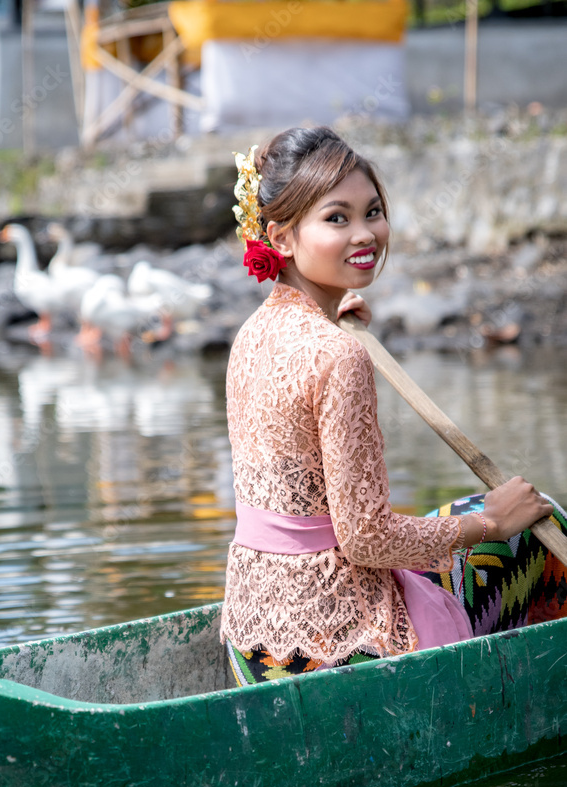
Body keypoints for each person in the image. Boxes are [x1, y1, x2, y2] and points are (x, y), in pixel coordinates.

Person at [220, 125, 567, 686]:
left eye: (372, 212)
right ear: (281, 239)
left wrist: (334, 314)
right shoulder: (339, 358)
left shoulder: (254, 332)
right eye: (337, 218)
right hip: (335, 644)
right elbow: (366, 539)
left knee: (488, 510)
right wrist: (490, 523)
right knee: (537, 523)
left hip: (253, 638)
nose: (365, 234)